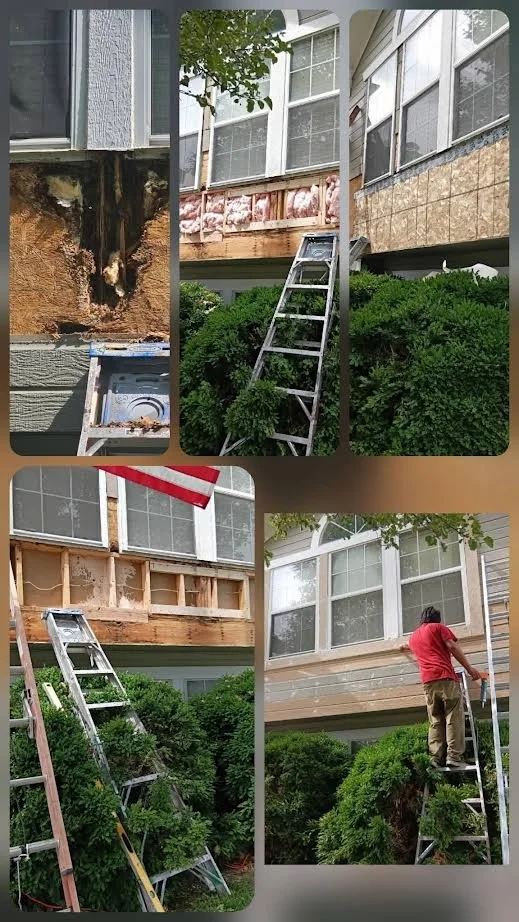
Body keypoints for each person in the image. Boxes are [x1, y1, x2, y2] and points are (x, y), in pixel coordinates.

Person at [400, 606, 482, 770]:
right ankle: (454, 756)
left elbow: (407, 645)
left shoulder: (415, 637)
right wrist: (469, 668)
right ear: (437, 619)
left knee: (435, 719)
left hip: (428, 683)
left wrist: (402, 648)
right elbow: (451, 646)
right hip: (445, 677)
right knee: (453, 716)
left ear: (422, 619)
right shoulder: (439, 628)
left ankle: (436, 758)